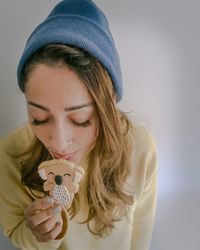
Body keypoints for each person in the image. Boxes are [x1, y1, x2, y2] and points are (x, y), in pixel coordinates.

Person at [0, 0, 157, 250]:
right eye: (39, 118)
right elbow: (15, 233)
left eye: (81, 120)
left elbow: (142, 229)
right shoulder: (9, 153)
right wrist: (43, 236)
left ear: (110, 103)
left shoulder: (140, 146)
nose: (59, 142)